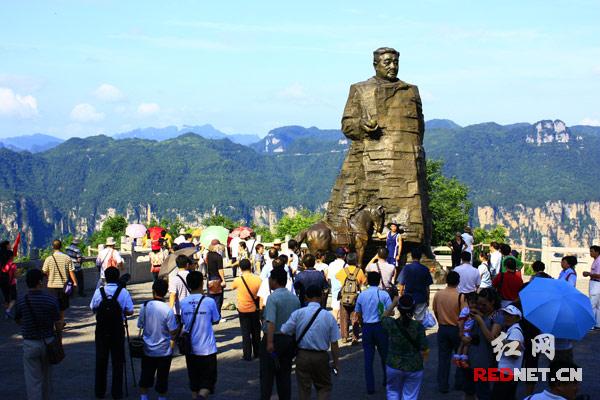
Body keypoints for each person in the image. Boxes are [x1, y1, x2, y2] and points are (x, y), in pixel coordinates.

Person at [280, 285, 341, 400]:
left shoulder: (298, 314)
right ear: (322, 297)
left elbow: (284, 330)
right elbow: (334, 343)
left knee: (304, 389)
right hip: (321, 356)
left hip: (302, 355)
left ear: (306, 297)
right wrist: (336, 362)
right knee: (324, 387)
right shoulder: (328, 316)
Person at [14, 269, 62, 400]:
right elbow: (58, 323)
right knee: (47, 378)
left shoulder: (21, 299)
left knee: (33, 380)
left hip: (30, 342)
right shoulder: (50, 299)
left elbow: (17, 319)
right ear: (40, 282)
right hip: (48, 341)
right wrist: (59, 334)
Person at [90, 267, 134, 399]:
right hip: (117, 329)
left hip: (102, 329)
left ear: (106, 278)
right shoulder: (123, 292)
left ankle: (100, 391)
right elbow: (130, 311)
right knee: (118, 361)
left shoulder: (99, 291)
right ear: (117, 277)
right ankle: (117, 392)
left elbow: (92, 307)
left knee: (101, 360)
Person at [260, 266, 301, 400]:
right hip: (289, 340)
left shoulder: (273, 298)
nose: (269, 281)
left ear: (275, 280)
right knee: (285, 375)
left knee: (267, 376)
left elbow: (271, 321)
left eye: (270, 279)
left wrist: (270, 342)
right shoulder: (294, 298)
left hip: (273, 338)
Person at [180, 271, 221, 400]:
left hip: (190, 349)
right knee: (208, 382)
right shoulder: (209, 301)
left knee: (194, 382)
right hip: (207, 348)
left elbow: (181, 321)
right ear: (202, 284)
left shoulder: (183, 302)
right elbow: (216, 319)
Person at [138, 279, 179, 400]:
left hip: (147, 348)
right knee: (162, 378)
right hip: (164, 349)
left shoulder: (144, 306)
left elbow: (140, 325)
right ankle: (161, 398)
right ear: (166, 292)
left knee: (145, 376)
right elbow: (173, 331)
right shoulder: (167, 310)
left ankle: (144, 397)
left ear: (153, 291)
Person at [381, 294, 429, 400]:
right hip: (414, 365)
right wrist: (423, 362)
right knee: (410, 396)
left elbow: (383, 317)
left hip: (394, 364)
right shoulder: (418, 327)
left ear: (399, 308)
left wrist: (393, 304)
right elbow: (424, 348)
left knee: (393, 393)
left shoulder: (391, 324)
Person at [462, 287, 503, 400]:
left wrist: (480, 321)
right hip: (470, 359)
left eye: (484, 305)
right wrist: (462, 336)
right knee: (469, 392)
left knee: (483, 394)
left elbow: (492, 340)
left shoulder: (497, 316)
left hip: (485, 363)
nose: (480, 307)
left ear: (492, 302)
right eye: (478, 304)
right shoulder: (476, 313)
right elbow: (464, 331)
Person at [354, 271, 392, 395]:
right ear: (379, 280)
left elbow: (358, 313)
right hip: (381, 327)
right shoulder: (384, 295)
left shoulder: (362, 295)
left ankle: (370, 387)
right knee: (385, 356)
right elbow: (390, 312)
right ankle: (387, 381)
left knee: (368, 359)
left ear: (368, 281)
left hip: (367, 327)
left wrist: (361, 323)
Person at [432, 271, 465, 394]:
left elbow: (435, 311)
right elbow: (464, 315)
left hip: (443, 328)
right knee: (460, 356)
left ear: (446, 280)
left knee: (443, 358)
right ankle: (459, 382)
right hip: (456, 328)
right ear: (458, 282)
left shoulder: (438, 295)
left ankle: (443, 384)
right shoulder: (460, 296)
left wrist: (441, 320)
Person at [491, 305, 524, 400]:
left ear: (517, 318)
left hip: (507, 374)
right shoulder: (511, 329)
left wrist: (501, 342)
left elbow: (514, 354)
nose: (506, 317)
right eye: (505, 314)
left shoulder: (515, 331)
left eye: (510, 315)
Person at [231, 259, 261, 361]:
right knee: (256, 332)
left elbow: (232, 287)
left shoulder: (238, 280)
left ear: (240, 268)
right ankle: (257, 353)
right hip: (255, 309)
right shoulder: (258, 279)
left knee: (245, 333)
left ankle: (247, 355)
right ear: (250, 266)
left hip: (243, 309)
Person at [42, 239, 77, 326]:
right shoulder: (67, 258)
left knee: (52, 305)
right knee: (62, 306)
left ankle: (55, 322)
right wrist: (75, 282)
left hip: (51, 286)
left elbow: (44, 271)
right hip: (63, 286)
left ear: (52, 247)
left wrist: (49, 276)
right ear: (61, 246)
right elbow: (71, 271)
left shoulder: (48, 259)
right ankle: (61, 322)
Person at [335, 252, 367, 344]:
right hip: (356, 298)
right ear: (356, 260)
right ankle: (355, 337)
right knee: (355, 317)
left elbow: (336, 276)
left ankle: (344, 337)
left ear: (347, 260)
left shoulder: (343, 271)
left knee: (343, 317)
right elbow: (364, 282)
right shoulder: (359, 271)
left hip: (344, 298)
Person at [397, 247, 433, 322]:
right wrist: (428, 299)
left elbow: (401, 284)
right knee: (419, 320)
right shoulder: (425, 269)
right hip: (421, 297)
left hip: (408, 298)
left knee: (406, 319)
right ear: (420, 257)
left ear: (412, 256)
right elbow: (427, 287)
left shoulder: (406, 268)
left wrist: (401, 295)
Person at [453, 293, 478, 368]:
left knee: (462, 344)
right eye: (472, 303)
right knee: (466, 344)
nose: (473, 305)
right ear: (468, 302)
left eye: (475, 303)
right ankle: (463, 360)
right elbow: (461, 322)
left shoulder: (475, 311)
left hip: (468, 331)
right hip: (465, 331)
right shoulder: (465, 311)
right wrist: (461, 332)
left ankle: (457, 358)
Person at [168, 255, 191, 323]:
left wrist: (170, 310)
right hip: (192, 308)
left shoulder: (174, 279)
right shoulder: (192, 276)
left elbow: (173, 294)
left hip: (179, 310)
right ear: (187, 264)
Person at [205, 241, 226, 314]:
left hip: (209, 277)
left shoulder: (207, 255)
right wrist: (223, 280)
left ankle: (211, 315)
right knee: (218, 299)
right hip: (216, 278)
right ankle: (217, 316)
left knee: (211, 298)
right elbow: (220, 269)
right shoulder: (218, 256)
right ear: (216, 246)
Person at [582, 245, 600, 330]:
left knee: (592, 304)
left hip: (596, 283)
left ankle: (591, 324)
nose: (590, 253)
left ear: (597, 252)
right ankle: (598, 324)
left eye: (592, 251)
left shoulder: (599, 261)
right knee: (598, 306)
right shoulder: (596, 260)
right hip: (595, 283)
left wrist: (589, 274)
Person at [327, 248, 347, 320]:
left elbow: (328, 278)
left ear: (336, 255)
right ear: (344, 256)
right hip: (345, 292)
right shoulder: (346, 266)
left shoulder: (331, 265)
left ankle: (335, 327)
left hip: (335, 292)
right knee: (344, 313)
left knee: (335, 311)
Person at [1, 249, 18, 318]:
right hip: (11, 283)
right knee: (14, 298)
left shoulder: (2, 265)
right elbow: (16, 275)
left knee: (6, 299)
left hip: (3, 284)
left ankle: (6, 313)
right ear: (11, 257)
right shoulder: (13, 265)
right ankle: (8, 310)